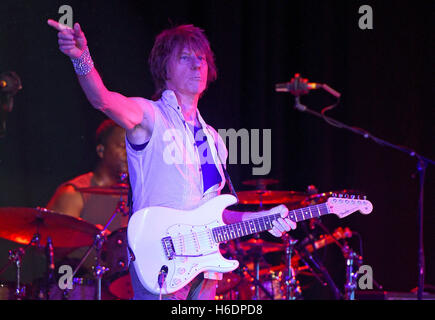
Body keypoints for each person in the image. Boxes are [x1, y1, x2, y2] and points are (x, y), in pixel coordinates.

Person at [47, 20, 297, 300]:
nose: (197, 65)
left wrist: (259, 218)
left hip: (206, 269)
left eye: (201, 58)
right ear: (164, 68)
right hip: (162, 263)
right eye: (185, 57)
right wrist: (82, 59)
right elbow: (102, 100)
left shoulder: (214, 140)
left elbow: (215, 215)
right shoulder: (150, 116)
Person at [46, 119, 129, 232]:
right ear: (101, 150)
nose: (129, 153)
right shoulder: (75, 192)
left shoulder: (134, 195)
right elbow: (56, 241)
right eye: (123, 146)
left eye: (133, 148)